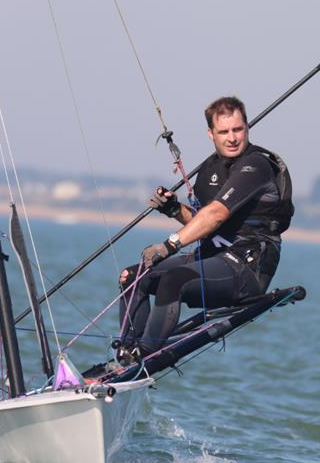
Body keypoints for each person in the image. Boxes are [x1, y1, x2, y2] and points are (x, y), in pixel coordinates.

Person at [118, 96, 293, 358]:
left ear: (247, 128)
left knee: (173, 280)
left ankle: (144, 354)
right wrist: (174, 209)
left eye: (238, 129)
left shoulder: (256, 164)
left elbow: (216, 214)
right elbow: (204, 223)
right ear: (211, 134)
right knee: (133, 277)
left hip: (246, 269)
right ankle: (126, 352)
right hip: (212, 259)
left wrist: (169, 245)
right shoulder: (210, 169)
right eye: (224, 131)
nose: (232, 138)